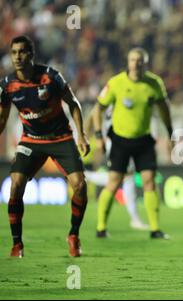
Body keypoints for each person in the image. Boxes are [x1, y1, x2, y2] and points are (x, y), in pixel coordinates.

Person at [0, 35, 90, 258]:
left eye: (22, 52)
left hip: (60, 138)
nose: (17, 57)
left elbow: (74, 103)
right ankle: (17, 244)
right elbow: (2, 120)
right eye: (14, 52)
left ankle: (73, 235)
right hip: (31, 140)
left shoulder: (51, 77)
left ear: (31, 54)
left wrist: (82, 135)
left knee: (79, 186)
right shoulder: (7, 85)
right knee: (15, 185)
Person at [93, 47, 173, 239]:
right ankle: (101, 227)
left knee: (149, 182)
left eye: (140, 60)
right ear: (127, 62)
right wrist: (98, 135)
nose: (136, 63)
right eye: (133, 60)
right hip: (120, 140)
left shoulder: (154, 83)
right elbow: (98, 109)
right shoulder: (116, 83)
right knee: (113, 183)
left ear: (145, 63)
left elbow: (164, 109)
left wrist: (170, 132)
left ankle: (155, 229)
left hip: (144, 140)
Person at [82, 107, 149, 230]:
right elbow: (94, 112)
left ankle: (135, 219)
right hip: (116, 142)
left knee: (124, 176)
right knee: (123, 175)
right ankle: (86, 176)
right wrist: (92, 134)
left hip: (118, 141)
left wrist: (91, 133)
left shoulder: (110, 101)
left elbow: (94, 113)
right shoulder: (115, 98)